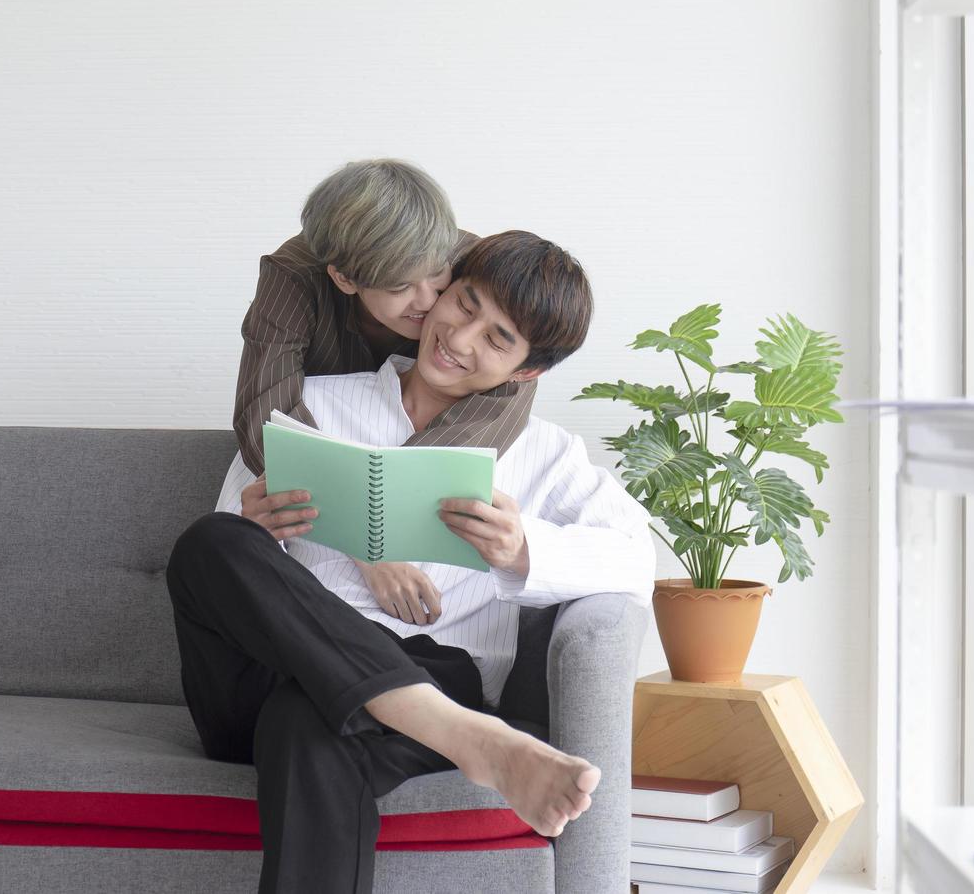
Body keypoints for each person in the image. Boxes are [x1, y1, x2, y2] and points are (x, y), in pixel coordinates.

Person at [169, 231, 655, 894]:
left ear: (526, 372)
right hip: (264, 673)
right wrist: (259, 527)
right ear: (443, 289)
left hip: (429, 666)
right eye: (466, 303)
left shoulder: (544, 454)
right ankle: (467, 737)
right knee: (211, 542)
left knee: (309, 719)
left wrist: (523, 547)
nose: (459, 337)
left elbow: (637, 556)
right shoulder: (314, 404)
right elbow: (231, 556)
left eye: (498, 338)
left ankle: (425, 712)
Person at [234, 158, 538, 624]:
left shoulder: (471, 259)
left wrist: (392, 510)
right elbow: (267, 419)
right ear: (343, 278)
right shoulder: (293, 276)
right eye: (400, 287)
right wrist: (366, 544)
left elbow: (509, 385)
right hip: (324, 487)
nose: (430, 301)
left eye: (437, 274)